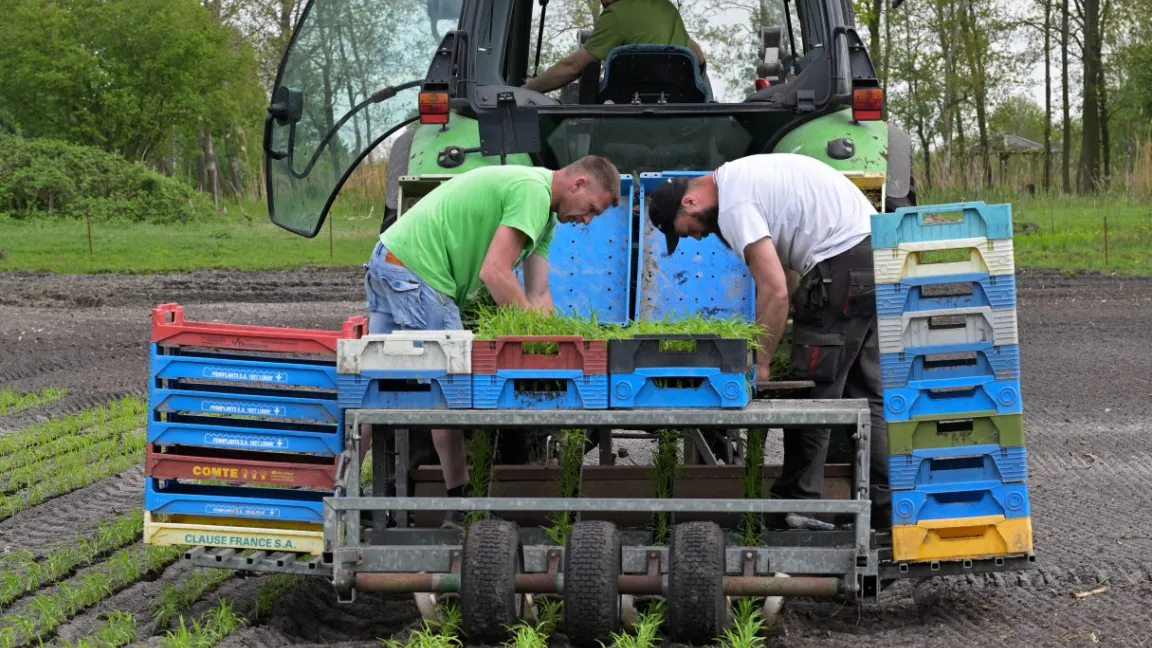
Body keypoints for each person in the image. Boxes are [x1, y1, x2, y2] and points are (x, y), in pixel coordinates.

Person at [363, 156, 621, 527]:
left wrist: (559, 348)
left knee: (373, 386)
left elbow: (539, 294)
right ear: (578, 183)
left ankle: (340, 496)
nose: (587, 220)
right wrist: (530, 343)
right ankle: (459, 507)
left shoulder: (545, 215)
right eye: (591, 209)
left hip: (391, 259)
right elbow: (494, 271)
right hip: (419, 274)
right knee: (450, 389)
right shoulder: (532, 192)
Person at [644, 153, 891, 530]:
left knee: (812, 392)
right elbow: (785, 278)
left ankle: (797, 504)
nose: (697, 235)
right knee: (866, 391)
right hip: (869, 254)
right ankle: (890, 506)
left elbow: (775, 292)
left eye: (687, 229)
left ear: (690, 201)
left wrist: (760, 363)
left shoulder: (734, 204)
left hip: (840, 263)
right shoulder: (741, 179)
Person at [522, 0, 707, 95]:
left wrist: (525, 91)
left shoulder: (616, 14)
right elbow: (698, 57)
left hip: (626, 120)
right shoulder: (667, 8)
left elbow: (572, 67)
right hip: (679, 116)